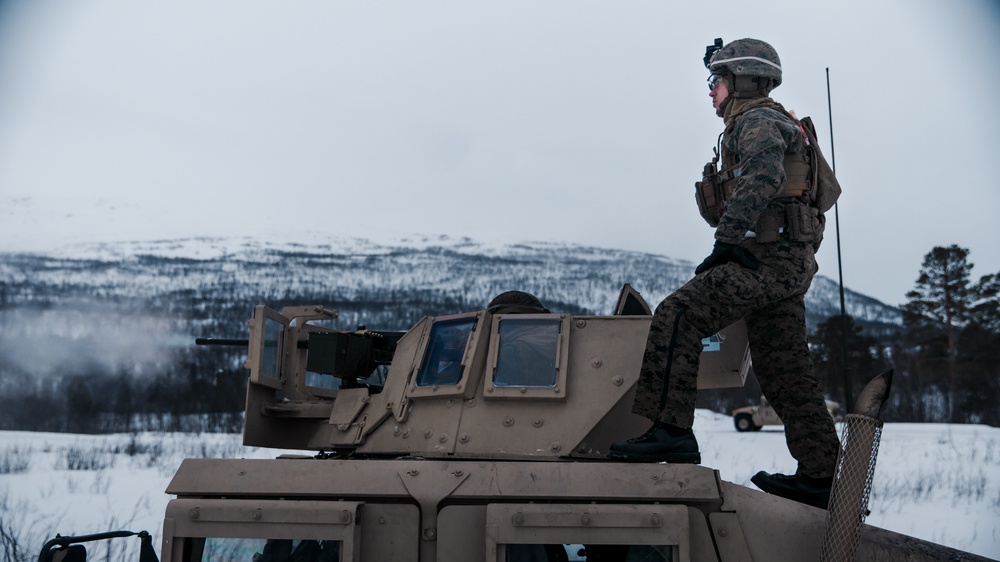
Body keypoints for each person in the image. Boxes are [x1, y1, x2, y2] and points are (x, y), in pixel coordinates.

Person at [607, 38, 841, 510]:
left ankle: (671, 431)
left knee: (678, 314)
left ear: (742, 81)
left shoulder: (755, 121)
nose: (711, 91)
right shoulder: (777, 120)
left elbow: (763, 176)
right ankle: (821, 474)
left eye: (717, 80)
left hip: (768, 259)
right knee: (784, 367)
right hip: (788, 261)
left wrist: (728, 239)